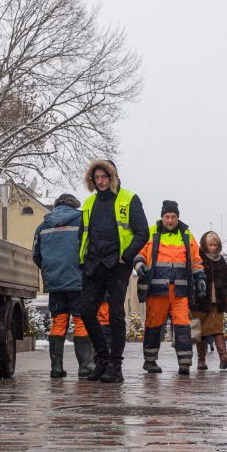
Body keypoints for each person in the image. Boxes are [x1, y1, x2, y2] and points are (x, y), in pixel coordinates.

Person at [79, 159, 149, 383]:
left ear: (112, 177)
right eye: (96, 178)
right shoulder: (89, 203)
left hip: (117, 265)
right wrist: (82, 260)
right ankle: (102, 359)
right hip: (93, 264)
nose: (100, 182)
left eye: (104, 177)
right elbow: (82, 233)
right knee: (86, 311)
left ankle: (115, 367)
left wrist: (126, 257)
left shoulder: (129, 199)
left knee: (115, 314)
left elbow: (142, 233)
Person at [134, 200, 204, 375]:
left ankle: (185, 363)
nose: (170, 220)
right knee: (153, 326)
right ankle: (150, 361)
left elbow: (196, 261)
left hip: (180, 291)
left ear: (178, 217)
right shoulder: (151, 234)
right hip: (157, 291)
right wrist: (139, 265)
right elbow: (139, 253)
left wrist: (200, 277)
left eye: (173, 217)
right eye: (167, 217)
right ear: (162, 217)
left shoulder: (187, 236)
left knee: (182, 326)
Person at [33, 193, 94, 377]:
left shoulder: (43, 226)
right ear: (74, 206)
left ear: (56, 205)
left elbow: (37, 255)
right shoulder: (82, 221)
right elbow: (89, 248)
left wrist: (51, 271)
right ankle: (85, 366)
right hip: (78, 281)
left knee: (58, 322)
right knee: (80, 321)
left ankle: (56, 368)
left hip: (55, 283)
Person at [191, 230, 227, 370]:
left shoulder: (220, 259)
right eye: (210, 244)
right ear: (205, 244)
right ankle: (201, 360)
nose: (213, 247)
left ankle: (223, 357)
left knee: (218, 329)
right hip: (201, 301)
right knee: (201, 332)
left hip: (218, 302)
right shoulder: (198, 257)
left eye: (216, 244)